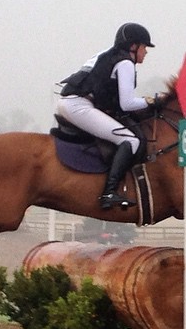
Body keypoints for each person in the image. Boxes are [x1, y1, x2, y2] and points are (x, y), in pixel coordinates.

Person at [57, 22, 160, 210]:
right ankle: (109, 192)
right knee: (131, 140)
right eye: (144, 47)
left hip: (72, 102)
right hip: (78, 105)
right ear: (133, 46)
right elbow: (126, 103)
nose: (146, 52)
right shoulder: (125, 62)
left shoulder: (109, 55)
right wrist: (152, 101)